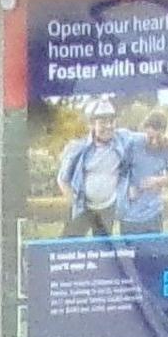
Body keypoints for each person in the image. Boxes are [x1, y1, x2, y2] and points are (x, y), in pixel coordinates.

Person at [55, 97, 136, 237]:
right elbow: (62, 180)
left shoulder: (122, 141)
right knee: (68, 246)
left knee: (102, 250)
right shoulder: (78, 149)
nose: (109, 126)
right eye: (103, 122)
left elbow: (145, 138)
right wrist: (74, 201)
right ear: (92, 124)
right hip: (82, 208)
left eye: (111, 121)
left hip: (107, 208)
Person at [120, 107, 168, 235]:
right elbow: (121, 174)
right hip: (130, 216)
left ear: (163, 131)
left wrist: (158, 180)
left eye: (158, 136)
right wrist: (128, 189)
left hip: (154, 214)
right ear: (145, 130)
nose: (154, 141)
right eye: (150, 137)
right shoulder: (133, 144)